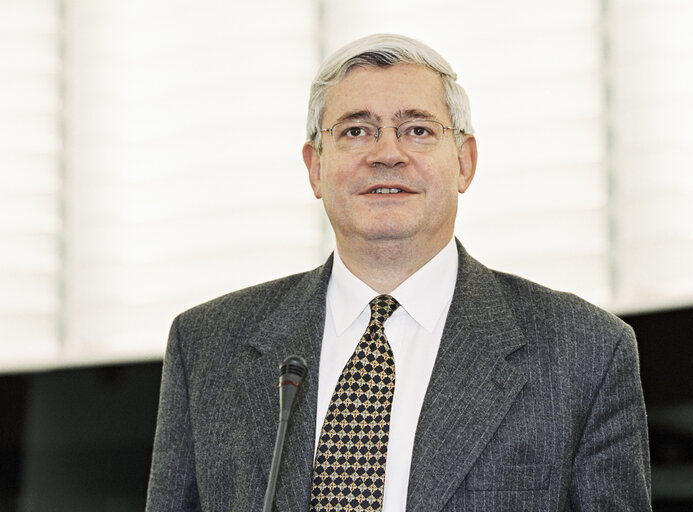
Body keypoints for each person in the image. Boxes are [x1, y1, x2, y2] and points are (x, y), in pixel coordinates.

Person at [146, 33, 651, 511]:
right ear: (315, 168)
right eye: (356, 131)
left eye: (418, 130)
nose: (387, 154)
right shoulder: (207, 346)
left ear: (465, 162)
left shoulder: (585, 350)